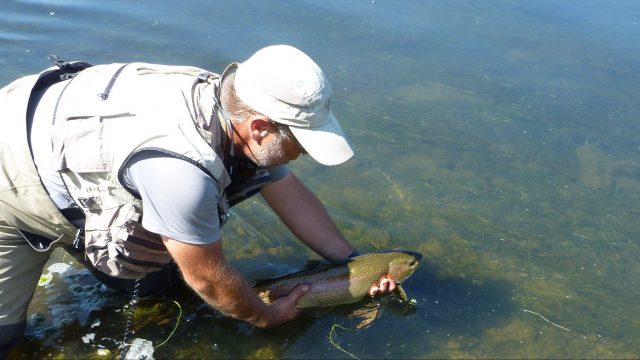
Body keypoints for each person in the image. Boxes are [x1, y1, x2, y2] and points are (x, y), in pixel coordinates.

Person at [0, 45, 397, 356]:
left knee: (157, 281)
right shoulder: (182, 173)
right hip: (10, 181)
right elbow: (207, 278)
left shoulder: (236, 103)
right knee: (7, 339)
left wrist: (354, 265)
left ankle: (86, 237)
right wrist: (266, 315)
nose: (305, 154)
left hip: (73, 160)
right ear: (259, 128)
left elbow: (289, 193)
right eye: (303, 143)